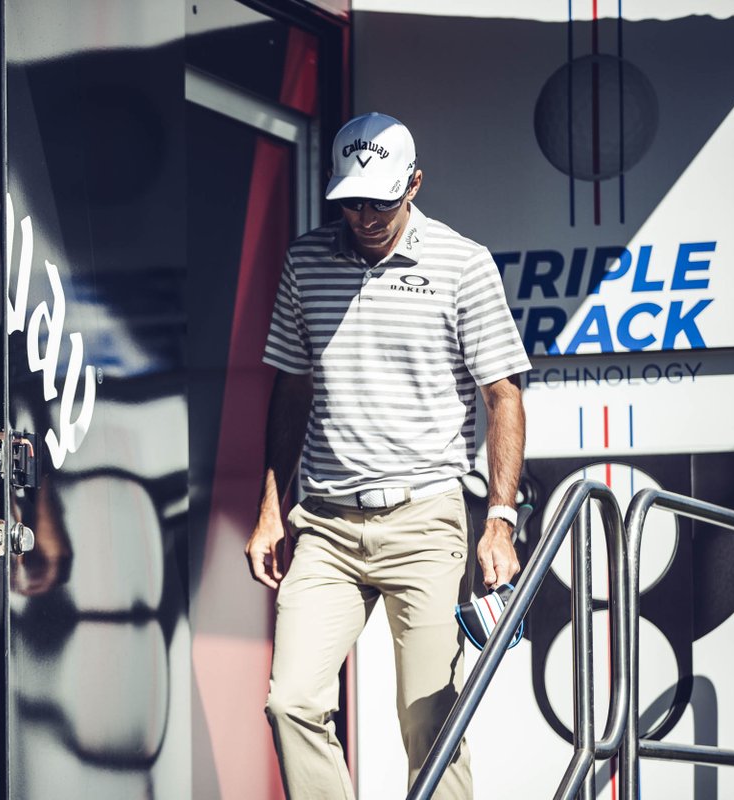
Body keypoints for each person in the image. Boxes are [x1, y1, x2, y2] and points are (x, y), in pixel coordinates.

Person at [245, 112, 530, 799]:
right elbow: (291, 390)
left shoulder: (462, 263)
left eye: (380, 198)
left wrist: (500, 518)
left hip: (425, 521)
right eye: (350, 200)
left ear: (414, 185)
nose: (365, 214)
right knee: (291, 702)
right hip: (326, 526)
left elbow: (504, 397)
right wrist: (269, 512)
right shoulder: (306, 261)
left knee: (429, 723)